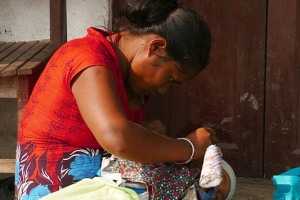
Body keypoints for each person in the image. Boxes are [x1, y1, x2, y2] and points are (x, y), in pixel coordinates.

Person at [14, 0, 233, 199]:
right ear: (155, 47)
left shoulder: (132, 84)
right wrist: (188, 147)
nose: (164, 90)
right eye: (170, 78)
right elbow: (117, 138)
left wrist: (143, 135)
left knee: (219, 179)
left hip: (105, 180)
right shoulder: (88, 57)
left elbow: (118, 138)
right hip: (57, 186)